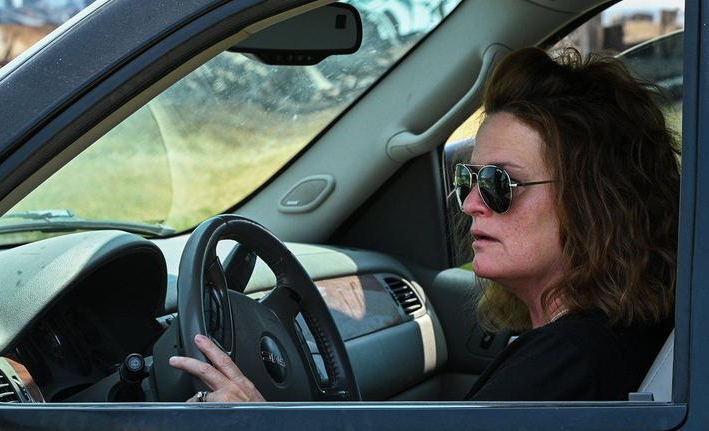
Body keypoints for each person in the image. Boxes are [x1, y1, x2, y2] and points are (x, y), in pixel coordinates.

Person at [168, 47, 678, 402]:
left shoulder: (568, 369)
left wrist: (257, 423)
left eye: (501, 184)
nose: (472, 203)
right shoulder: (598, 341)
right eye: (467, 178)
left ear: (596, 204)